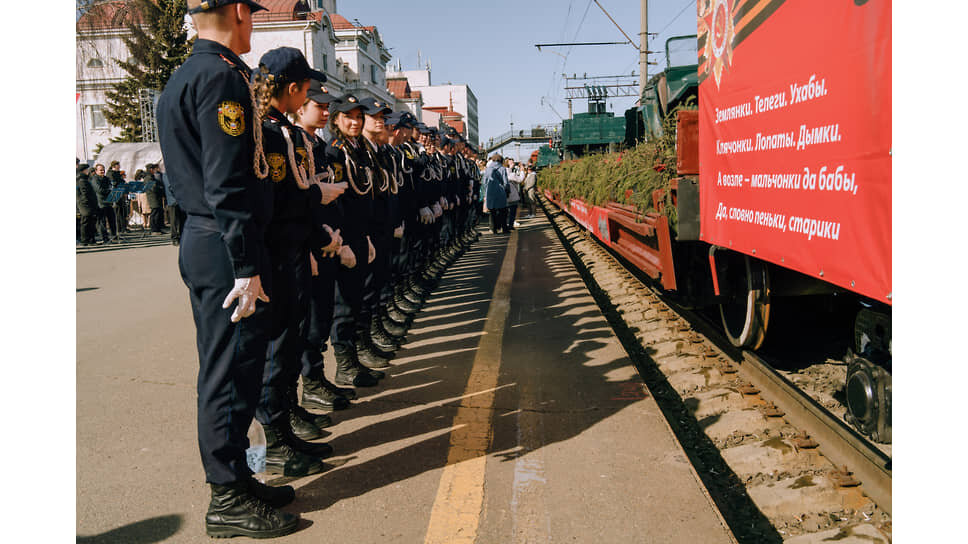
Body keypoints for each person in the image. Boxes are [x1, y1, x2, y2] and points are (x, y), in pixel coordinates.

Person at [156, 0, 301, 539]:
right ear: (239, 11)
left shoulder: (192, 74)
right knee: (228, 370)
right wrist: (245, 263)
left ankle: (238, 476)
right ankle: (226, 496)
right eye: (253, 14)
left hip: (213, 237)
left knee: (239, 365)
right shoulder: (220, 79)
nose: (253, 23)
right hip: (224, 243)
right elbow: (225, 182)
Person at [292, 82, 357, 417]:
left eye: (326, 106)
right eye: (318, 105)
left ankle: (316, 378)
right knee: (307, 323)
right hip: (311, 242)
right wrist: (314, 242)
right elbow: (299, 201)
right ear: (300, 107)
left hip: (329, 240)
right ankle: (310, 384)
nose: (325, 111)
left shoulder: (318, 145)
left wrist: (338, 237)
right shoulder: (293, 143)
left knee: (321, 317)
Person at [482, 154, 508, 234]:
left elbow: (484, 182)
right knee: (502, 210)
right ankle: (504, 228)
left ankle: (493, 228)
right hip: (500, 192)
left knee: (492, 211)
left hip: (490, 192)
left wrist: (486, 191)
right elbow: (505, 182)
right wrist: (506, 190)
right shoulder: (502, 169)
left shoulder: (488, 169)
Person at [91, 163, 118, 243]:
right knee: (102, 222)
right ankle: (105, 238)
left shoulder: (106, 178)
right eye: (101, 170)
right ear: (96, 171)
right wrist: (109, 191)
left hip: (109, 202)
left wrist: (112, 190)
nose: (103, 171)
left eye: (103, 170)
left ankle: (114, 236)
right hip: (101, 203)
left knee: (112, 220)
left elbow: (111, 187)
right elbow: (99, 190)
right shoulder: (95, 179)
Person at [163, 159, 186, 245]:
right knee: (174, 220)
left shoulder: (177, 172)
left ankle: (182, 235)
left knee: (182, 219)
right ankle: (174, 237)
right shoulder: (167, 174)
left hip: (180, 199)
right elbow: (170, 187)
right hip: (173, 200)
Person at [76, 163, 98, 246]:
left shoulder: (85, 179)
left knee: (91, 222)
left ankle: (91, 240)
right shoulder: (82, 180)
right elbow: (84, 193)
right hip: (85, 205)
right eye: (86, 170)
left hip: (87, 204)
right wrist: (87, 202)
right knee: (85, 223)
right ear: (83, 171)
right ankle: (85, 240)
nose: (88, 171)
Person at [145, 163, 167, 234]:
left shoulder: (152, 177)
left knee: (158, 212)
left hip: (157, 197)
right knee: (154, 213)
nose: (155, 170)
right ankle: (154, 229)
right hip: (153, 197)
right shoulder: (148, 178)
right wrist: (160, 188)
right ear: (150, 169)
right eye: (154, 169)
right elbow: (153, 188)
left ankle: (158, 228)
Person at [505, 159, 522, 231]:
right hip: (512, 196)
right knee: (512, 211)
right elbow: (520, 179)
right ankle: (510, 225)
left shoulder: (503, 172)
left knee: (506, 212)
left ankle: (505, 226)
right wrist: (522, 171)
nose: (513, 164)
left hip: (505, 196)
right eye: (511, 163)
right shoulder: (511, 174)